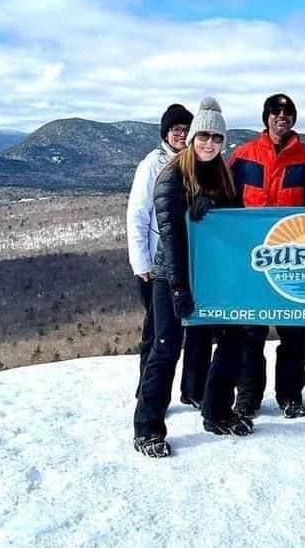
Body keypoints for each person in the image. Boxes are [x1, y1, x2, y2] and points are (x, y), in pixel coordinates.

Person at [133, 98, 251, 458]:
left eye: (217, 137)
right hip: (172, 275)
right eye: (204, 135)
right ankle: (148, 427)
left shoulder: (222, 174)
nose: (209, 143)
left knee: (233, 337)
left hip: (212, 276)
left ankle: (216, 411)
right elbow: (170, 235)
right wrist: (180, 288)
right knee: (166, 346)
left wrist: (214, 207)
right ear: (194, 136)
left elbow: (236, 220)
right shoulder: (171, 175)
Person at [230, 93, 305, 419]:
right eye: (275, 111)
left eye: (287, 112)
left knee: (294, 333)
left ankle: (290, 394)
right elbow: (224, 204)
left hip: (293, 261)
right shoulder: (242, 157)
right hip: (252, 263)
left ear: (293, 118)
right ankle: (247, 396)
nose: (281, 116)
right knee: (250, 333)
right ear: (266, 117)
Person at [125, 103, 192, 392]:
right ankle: (147, 388)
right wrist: (142, 264)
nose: (182, 135)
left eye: (187, 130)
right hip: (155, 263)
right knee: (157, 331)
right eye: (177, 130)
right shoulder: (152, 164)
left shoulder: (192, 162)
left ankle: (188, 389)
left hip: (184, 261)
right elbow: (137, 214)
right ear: (166, 132)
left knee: (180, 331)